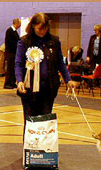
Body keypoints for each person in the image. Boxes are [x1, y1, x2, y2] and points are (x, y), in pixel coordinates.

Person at [15, 13, 78, 141]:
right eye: (40, 28)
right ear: (33, 26)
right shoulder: (24, 41)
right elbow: (18, 63)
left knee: (45, 122)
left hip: (48, 89)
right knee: (30, 122)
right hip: (28, 89)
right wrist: (19, 80)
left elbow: (60, 62)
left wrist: (68, 80)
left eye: (45, 28)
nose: (43, 31)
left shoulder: (54, 41)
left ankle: (44, 152)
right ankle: (30, 151)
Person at [4, 18, 21, 89]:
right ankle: (7, 83)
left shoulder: (14, 31)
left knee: (13, 69)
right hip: (11, 53)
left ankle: (12, 82)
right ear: (16, 23)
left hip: (13, 53)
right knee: (10, 69)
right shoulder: (9, 31)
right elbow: (10, 42)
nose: (20, 26)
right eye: (19, 24)